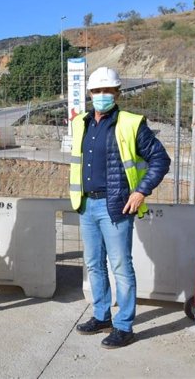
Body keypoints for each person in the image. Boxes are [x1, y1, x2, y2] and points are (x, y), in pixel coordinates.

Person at [70, 67, 170, 349]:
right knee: (93, 264)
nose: (101, 95)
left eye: (107, 91)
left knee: (120, 266)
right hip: (86, 204)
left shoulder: (131, 123)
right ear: (90, 93)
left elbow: (160, 159)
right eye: (97, 91)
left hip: (115, 205)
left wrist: (140, 191)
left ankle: (124, 326)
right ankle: (102, 316)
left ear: (117, 93)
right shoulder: (81, 123)